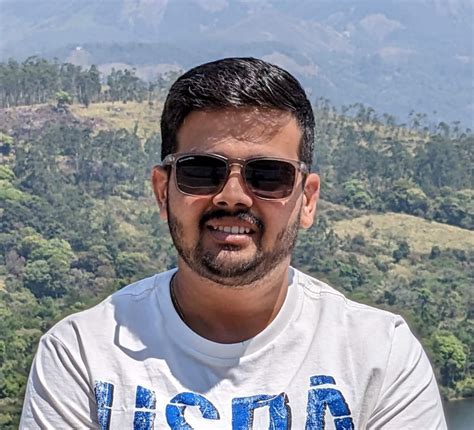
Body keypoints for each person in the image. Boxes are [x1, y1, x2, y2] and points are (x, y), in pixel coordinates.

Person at [20, 57, 446, 429]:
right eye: (202, 171)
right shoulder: (82, 353)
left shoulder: (379, 356)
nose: (233, 196)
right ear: (162, 192)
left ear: (307, 200)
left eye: (268, 175)